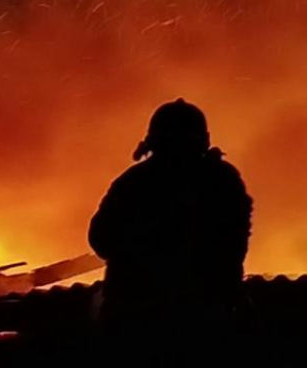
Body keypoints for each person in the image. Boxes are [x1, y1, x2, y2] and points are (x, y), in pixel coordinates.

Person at [89, 99, 252, 333]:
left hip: (136, 317)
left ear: (153, 142)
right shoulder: (222, 181)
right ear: (203, 140)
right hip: (204, 316)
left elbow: (101, 240)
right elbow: (235, 244)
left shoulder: (133, 183)